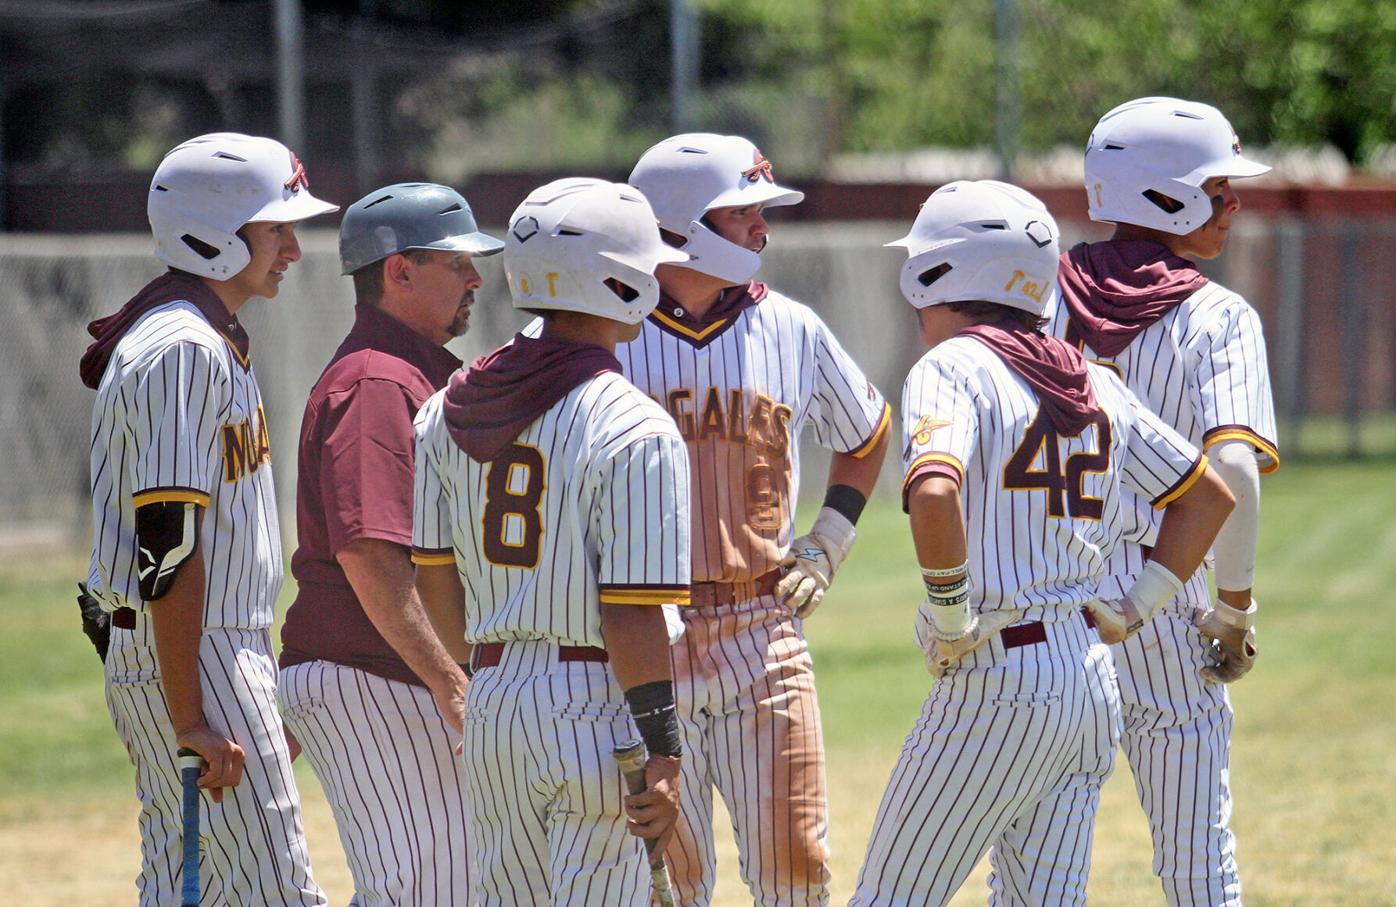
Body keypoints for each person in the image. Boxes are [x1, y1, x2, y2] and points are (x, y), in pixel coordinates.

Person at [851, 179, 1237, 905]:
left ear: (943, 274)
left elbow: (934, 490)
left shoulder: (951, 366)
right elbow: (1209, 494)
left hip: (999, 671)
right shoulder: (1093, 377)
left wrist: (949, 613)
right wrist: (1138, 604)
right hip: (1089, 673)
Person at [622, 133, 891, 906]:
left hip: (762, 623)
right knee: (666, 882)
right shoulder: (606, 329)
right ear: (682, 222)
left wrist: (830, 541)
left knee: (797, 868)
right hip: (644, 630)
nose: (761, 230)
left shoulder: (792, 328)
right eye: (743, 213)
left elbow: (867, 435)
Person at [412, 177, 692, 905]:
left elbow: (433, 572)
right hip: (595, 699)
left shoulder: (443, 410)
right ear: (618, 279)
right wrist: (663, 743)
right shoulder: (634, 425)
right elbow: (631, 611)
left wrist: (481, 681)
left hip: (494, 691)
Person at [79, 132, 336, 905]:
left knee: (193, 887)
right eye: (276, 226)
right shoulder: (183, 346)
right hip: (200, 648)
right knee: (274, 888)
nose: (293, 245)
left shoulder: (199, 332)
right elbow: (168, 539)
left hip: (194, 643)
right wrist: (188, 711)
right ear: (216, 233)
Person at [1045, 96, 1279, 905]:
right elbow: (1234, 475)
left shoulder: (1038, 304)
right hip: (1167, 605)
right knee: (1196, 864)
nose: (1233, 203)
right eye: (1217, 188)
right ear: (1165, 196)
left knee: (1039, 868)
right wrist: (1236, 608)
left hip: (1049, 603)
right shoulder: (1216, 316)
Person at [277, 182, 504, 905]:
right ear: (398, 270)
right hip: (376, 673)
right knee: (427, 890)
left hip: (387, 673)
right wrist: (451, 682)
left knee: (443, 885)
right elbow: (369, 553)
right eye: (455, 262)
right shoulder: (378, 381)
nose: (475, 277)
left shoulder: (418, 372)